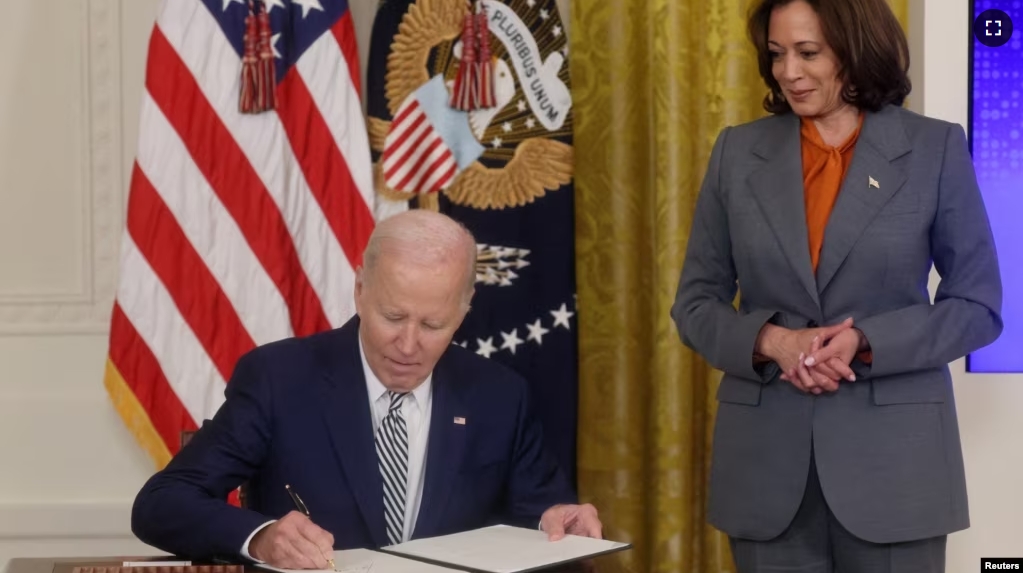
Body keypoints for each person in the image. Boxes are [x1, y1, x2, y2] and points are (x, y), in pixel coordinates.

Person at [670, 0, 1002, 571]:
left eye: (807, 53)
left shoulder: (934, 149)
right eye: (776, 55)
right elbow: (695, 303)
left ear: (855, 48)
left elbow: (977, 305)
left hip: (897, 472)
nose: (788, 72)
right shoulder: (736, 153)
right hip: (766, 471)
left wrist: (865, 341)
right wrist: (774, 342)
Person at [131, 209, 601, 568]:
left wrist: (555, 520)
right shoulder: (279, 378)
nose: (409, 344)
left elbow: (538, 513)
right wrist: (261, 536)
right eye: (393, 317)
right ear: (360, 289)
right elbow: (162, 503)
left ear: (464, 310)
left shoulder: (500, 395)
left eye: (434, 324)